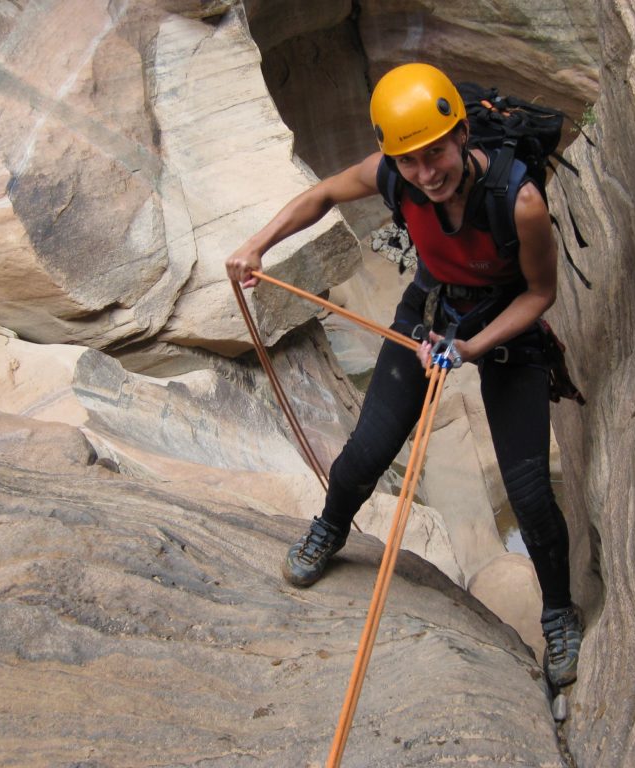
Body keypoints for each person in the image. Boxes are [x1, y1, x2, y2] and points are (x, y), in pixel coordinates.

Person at [226, 62, 582, 687]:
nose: (426, 173)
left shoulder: (517, 200)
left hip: (503, 332)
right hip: (430, 309)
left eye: (436, 153)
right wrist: (259, 243)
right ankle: (329, 530)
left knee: (528, 493)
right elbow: (323, 194)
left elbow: (539, 293)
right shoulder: (395, 175)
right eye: (410, 160)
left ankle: (557, 613)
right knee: (366, 451)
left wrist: (469, 348)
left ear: (462, 135)